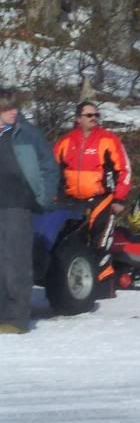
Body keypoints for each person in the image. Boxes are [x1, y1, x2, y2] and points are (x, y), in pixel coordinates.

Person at [53, 101, 132, 297]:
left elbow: (124, 170)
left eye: (96, 115)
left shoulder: (108, 140)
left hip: (101, 199)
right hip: (70, 200)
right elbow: (52, 171)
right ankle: (74, 284)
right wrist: (52, 195)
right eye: (89, 115)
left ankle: (104, 287)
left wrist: (119, 198)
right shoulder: (65, 141)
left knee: (100, 242)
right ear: (78, 118)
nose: (94, 118)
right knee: (68, 241)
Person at [0, 89, 59, 334]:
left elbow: (49, 167)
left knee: (15, 263)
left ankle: (16, 319)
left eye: (16, 107)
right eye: (8, 108)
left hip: (16, 206)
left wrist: (41, 197)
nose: (14, 112)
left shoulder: (27, 134)